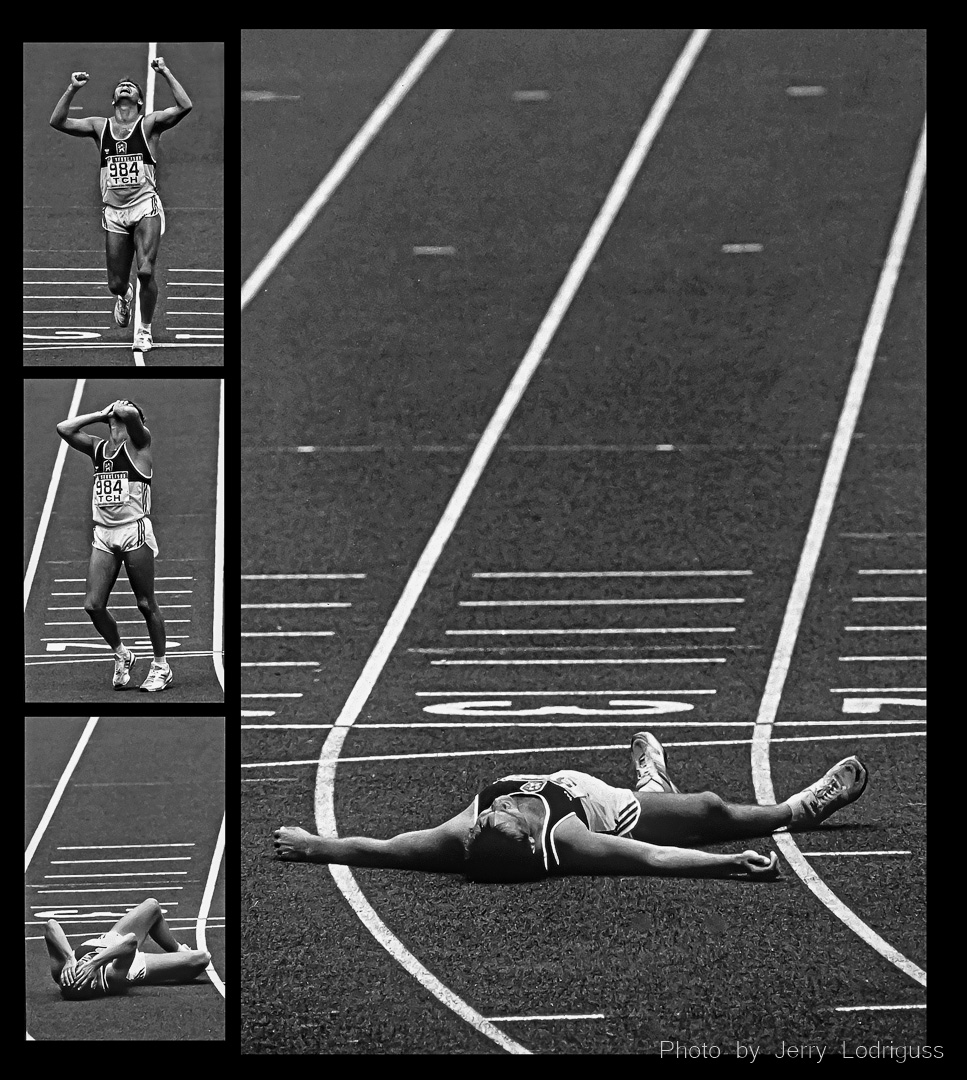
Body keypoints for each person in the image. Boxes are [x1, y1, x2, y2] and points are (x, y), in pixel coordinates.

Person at [273, 732, 869, 882]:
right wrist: (733, 863)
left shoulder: (464, 838)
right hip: (609, 808)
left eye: (486, 817)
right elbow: (655, 859)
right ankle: (801, 808)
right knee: (709, 811)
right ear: (531, 840)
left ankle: (656, 783)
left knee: (674, 802)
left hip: (576, 786)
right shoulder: (567, 841)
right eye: (500, 817)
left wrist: (314, 846)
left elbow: (381, 849)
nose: (491, 810)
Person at [48, 59, 193, 352]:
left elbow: (184, 106)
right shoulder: (99, 127)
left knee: (145, 271)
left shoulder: (149, 125)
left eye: (131, 87)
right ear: (114, 100)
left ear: (139, 101)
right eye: (121, 87)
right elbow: (58, 122)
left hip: (144, 206)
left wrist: (164, 71)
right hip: (114, 212)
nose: (125, 86)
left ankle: (145, 331)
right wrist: (72, 88)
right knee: (116, 282)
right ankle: (124, 295)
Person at [56, 399, 171, 691]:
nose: (116, 419)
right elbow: (64, 428)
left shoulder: (139, 446)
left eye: (118, 416)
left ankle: (161, 666)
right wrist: (99, 413)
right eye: (113, 417)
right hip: (104, 534)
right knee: (93, 605)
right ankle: (122, 654)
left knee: (145, 603)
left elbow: (131, 415)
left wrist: (123, 409)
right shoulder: (98, 448)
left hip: (134, 531)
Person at [43, 897, 212, 1000]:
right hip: (132, 961)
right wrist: (94, 963)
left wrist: (70, 958)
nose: (83, 963)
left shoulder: (63, 971)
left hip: (110, 939)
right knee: (202, 958)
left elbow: (51, 926)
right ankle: (181, 956)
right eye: (83, 971)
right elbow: (129, 942)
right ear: (94, 982)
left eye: (79, 968)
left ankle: (177, 949)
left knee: (152, 906)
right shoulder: (110, 978)